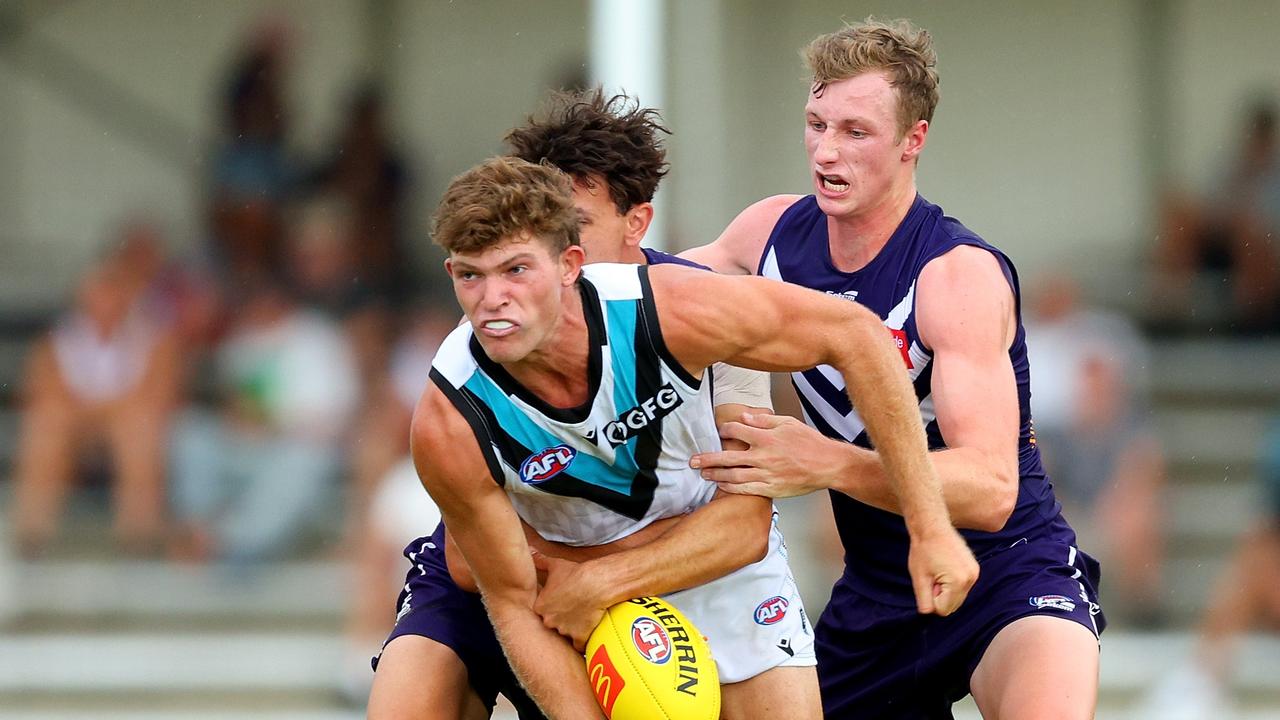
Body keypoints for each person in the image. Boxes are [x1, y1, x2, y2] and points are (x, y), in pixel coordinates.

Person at [408, 155, 976, 719]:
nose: (492, 300)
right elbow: (509, 600)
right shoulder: (449, 419)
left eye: (516, 270)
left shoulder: (668, 311)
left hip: (714, 566)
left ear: (569, 264)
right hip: (571, 599)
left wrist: (929, 526)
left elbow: (856, 334)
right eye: (469, 275)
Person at [683, 18, 1105, 718]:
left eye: (855, 131)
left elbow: (992, 486)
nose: (825, 150)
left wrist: (828, 464)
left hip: (1006, 568)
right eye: (816, 123)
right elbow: (645, 292)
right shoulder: (769, 235)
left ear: (914, 141)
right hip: (878, 587)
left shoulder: (955, 277)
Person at [369, 89, 808, 720]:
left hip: (676, 572)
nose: (545, 237)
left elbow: (743, 525)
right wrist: (576, 576)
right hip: (515, 580)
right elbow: (474, 563)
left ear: (637, 223)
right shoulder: (491, 334)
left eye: (568, 222)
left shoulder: (700, 319)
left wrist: (603, 577)